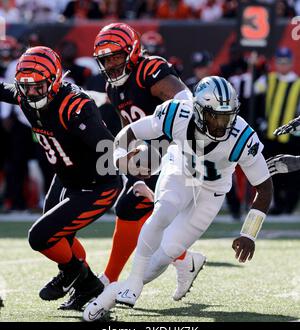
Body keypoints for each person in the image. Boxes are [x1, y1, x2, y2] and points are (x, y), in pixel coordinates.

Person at [63, 22, 207, 311]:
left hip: (180, 150)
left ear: (132, 51)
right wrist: (130, 154)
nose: (112, 64)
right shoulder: (113, 88)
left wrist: (168, 149)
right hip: (154, 155)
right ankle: (184, 259)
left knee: (132, 207)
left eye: (117, 56)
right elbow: (131, 130)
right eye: (106, 58)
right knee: (137, 210)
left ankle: (112, 281)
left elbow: (186, 104)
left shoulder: (150, 70)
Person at [109, 76, 273, 309]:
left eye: (227, 117)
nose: (221, 124)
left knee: (164, 256)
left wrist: (249, 233)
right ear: (197, 109)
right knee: (163, 211)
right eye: (214, 116)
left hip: (211, 192)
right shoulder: (177, 114)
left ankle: (172, 268)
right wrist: (119, 157)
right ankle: (132, 284)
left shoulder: (243, 137)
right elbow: (130, 132)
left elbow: (264, 188)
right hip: (179, 169)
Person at [0, 46, 123, 307]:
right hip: (66, 177)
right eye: (26, 86)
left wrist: (135, 164)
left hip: (96, 185)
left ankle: (71, 272)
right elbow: (5, 90)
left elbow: (106, 147)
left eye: (38, 86)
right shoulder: (25, 95)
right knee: (61, 238)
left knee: (41, 236)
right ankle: (89, 286)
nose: (31, 93)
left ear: (55, 81)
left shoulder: (74, 106)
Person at [254, 47, 300, 215]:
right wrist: (257, 68)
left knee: (293, 174)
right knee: (272, 171)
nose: (282, 65)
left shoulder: (298, 83)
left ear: (291, 63)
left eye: (285, 62)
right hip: (271, 135)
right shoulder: (268, 79)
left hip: (292, 138)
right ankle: (278, 204)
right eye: (279, 62)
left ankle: (290, 204)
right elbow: (253, 91)